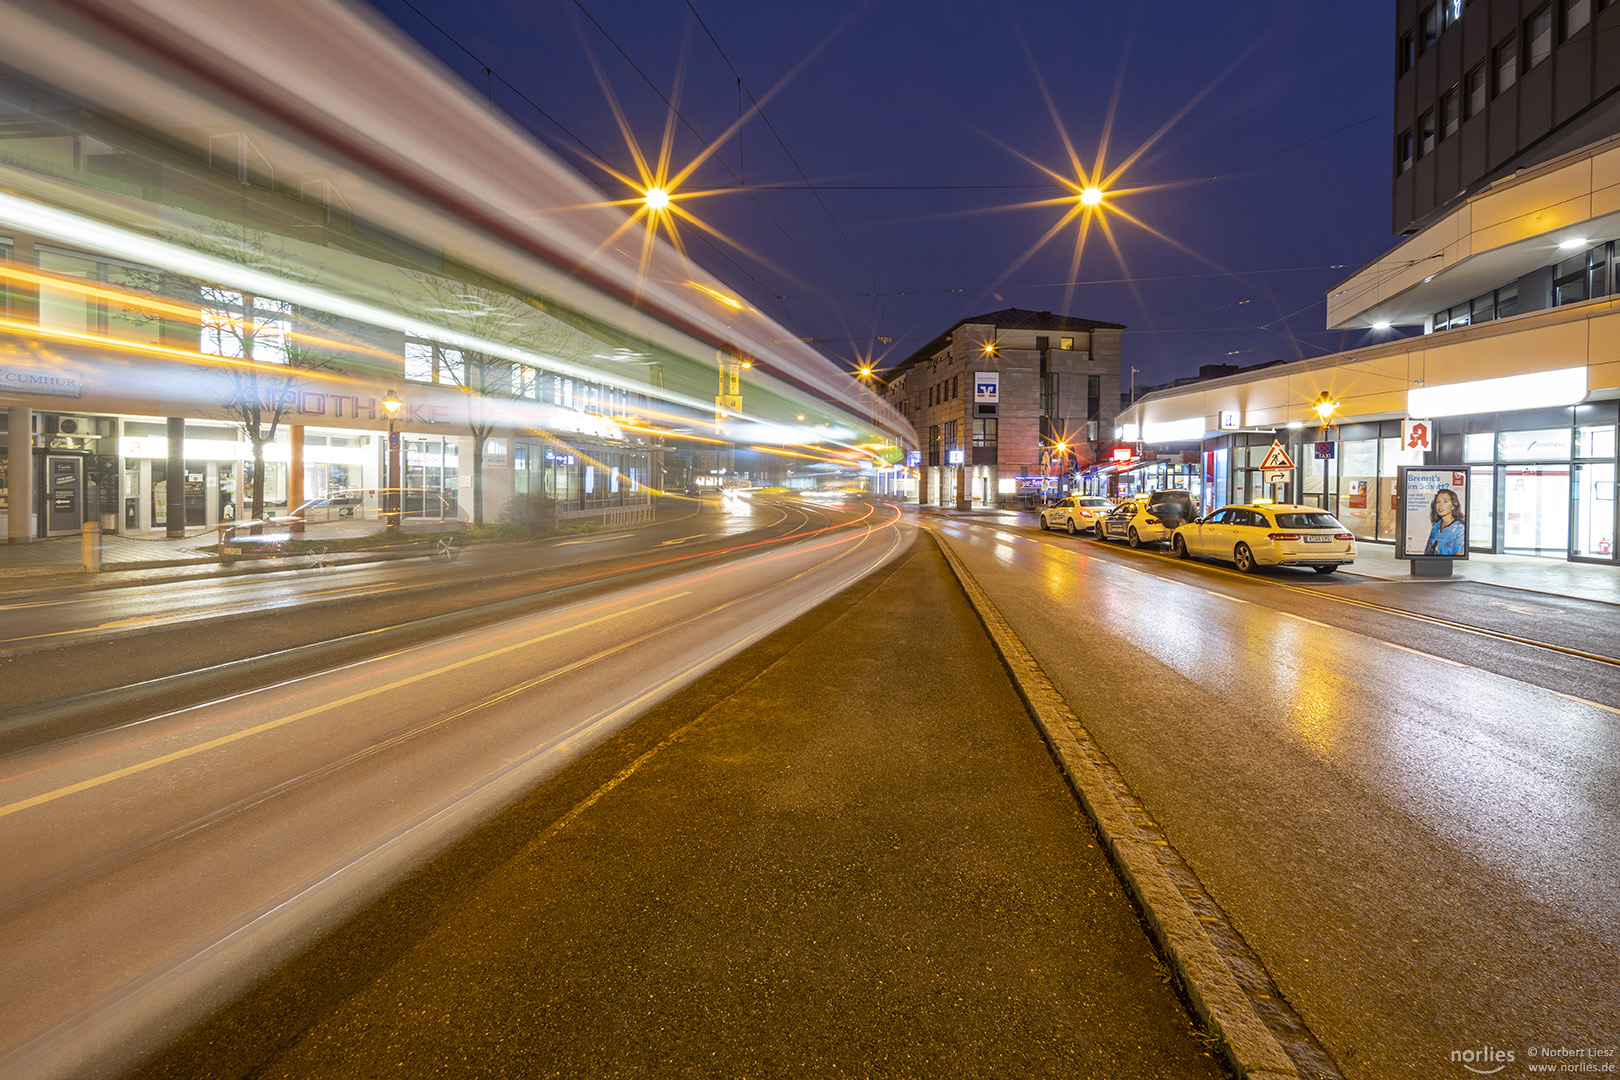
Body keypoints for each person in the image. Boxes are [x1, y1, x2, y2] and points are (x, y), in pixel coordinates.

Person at [1424, 487, 1466, 555]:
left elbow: (1458, 554)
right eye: (1438, 501)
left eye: (1445, 501)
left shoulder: (1460, 529)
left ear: (1453, 506)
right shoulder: (1436, 525)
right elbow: (1427, 551)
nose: (1440, 505)